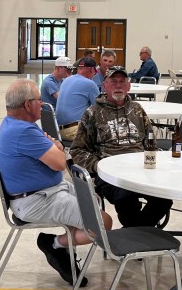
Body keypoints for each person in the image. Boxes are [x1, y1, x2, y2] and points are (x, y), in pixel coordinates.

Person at [0, 79, 111, 285]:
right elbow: (60, 163)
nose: (42, 104)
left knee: (92, 201)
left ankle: (64, 254)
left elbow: (56, 155)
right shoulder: (24, 131)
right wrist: (57, 148)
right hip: (37, 200)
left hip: (45, 192)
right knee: (102, 224)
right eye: (39, 100)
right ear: (27, 104)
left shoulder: (13, 123)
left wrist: (55, 147)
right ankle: (55, 244)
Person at [70, 66, 172, 228]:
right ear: (105, 85)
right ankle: (137, 234)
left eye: (122, 81)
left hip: (141, 170)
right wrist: (98, 165)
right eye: (113, 81)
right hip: (110, 173)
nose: (118, 85)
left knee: (164, 197)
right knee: (126, 197)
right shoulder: (93, 113)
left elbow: (150, 142)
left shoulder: (137, 110)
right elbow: (77, 150)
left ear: (128, 86)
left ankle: (135, 233)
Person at [54, 56, 99, 142]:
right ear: (92, 70)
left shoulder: (66, 80)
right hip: (75, 130)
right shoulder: (90, 84)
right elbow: (99, 108)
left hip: (58, 131)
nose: (94, 74)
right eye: (95, 72)